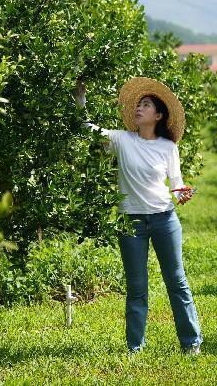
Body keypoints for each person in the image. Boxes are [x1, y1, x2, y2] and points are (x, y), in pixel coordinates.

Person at [73, 76, 203, 356]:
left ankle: (191, 342)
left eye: (145, 105)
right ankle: (135, 346)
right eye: (138, 105)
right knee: (136, 287)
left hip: (164, 219)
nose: (139, 109)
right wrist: (81, 100)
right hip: (131, 221)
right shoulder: (121, 140)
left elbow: (176, 185)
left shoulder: (168, 147)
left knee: (177, 281)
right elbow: (87, 130)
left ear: (157, 115)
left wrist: (183, 194)